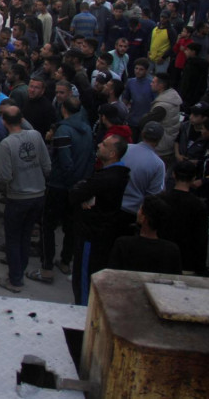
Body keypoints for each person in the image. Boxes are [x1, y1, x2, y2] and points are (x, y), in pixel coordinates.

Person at [0, 104, 51, 293]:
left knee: (13, 239)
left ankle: (15, 280)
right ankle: (19, 273)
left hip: (18, 197)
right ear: (21, 120)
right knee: (26, 236)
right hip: (38, 195)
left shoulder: (7, 144)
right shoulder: (36, 135)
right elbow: (47, 167)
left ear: (4, 122)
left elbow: (5, 176)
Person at [31, 98, 93, 284]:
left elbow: (65, 162)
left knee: (48, 226)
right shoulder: (87, 129)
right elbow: (90, 158)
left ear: (63, 109)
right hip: (79, 186)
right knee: (71, 226)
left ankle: (47, 267)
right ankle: (65, 261)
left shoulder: (63, 130)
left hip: (60, 186)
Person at [70, 135, 131, 305]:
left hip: (92, 235)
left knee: (84, 280)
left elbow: (75, 193)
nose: (99, 145)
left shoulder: (108, 178)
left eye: (104, 144)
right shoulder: (114, 174)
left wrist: (83, 194)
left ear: (112, 153)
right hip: (99, 233)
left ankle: (82, 318)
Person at [108, 195, 182, 275]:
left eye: (140, 209)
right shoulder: (172, 250)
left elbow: (112, 274)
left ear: (144, 218)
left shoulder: (123, 244)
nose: (138, 211)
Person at [159, 162, 208, 275]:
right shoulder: (199, 206)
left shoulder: (160, 199)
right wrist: (200, 268)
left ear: (174, 175)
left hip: (161, 257)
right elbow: (201, 239)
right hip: (186, 262)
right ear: (193, 178)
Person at [120, 121, 167, 226]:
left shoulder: (124, 148)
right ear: (159, 139)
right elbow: (154, 195)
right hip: (133, 214)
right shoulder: (158, 164)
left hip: (112, 206)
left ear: (142, 133)